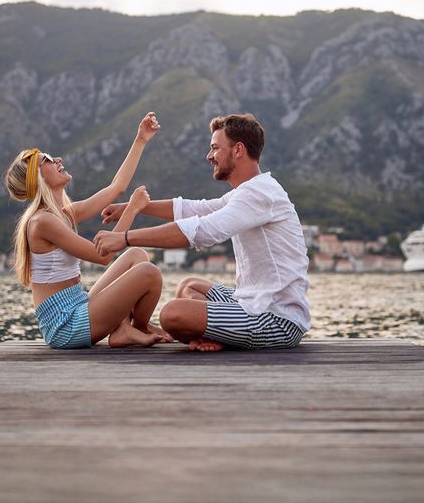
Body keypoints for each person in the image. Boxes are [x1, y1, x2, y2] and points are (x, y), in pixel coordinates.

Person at [93, 113, 309, 352]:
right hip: (249, 302)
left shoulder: (259, 193)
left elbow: (202, 231)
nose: (209, 156)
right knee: (190, 285)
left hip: (277, 319)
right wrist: (133, 208)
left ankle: (213, 333)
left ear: (238, 150)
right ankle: (213, 333)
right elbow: (194, 208)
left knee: (172, 314)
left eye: (215, 148)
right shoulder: (247, 191)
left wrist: (124, 238)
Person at [3, 112, 172, 349]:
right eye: (48, 159)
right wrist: (131, 211)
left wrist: (140, 140)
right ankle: (135, 328)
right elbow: (102, 256)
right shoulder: (42, 222)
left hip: (79, 305)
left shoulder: (65, 213)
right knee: (148, 272)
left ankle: (128, 328)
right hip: (64, 326)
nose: (58, 159)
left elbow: (117, 187)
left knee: (137, 256)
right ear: (39, 178)